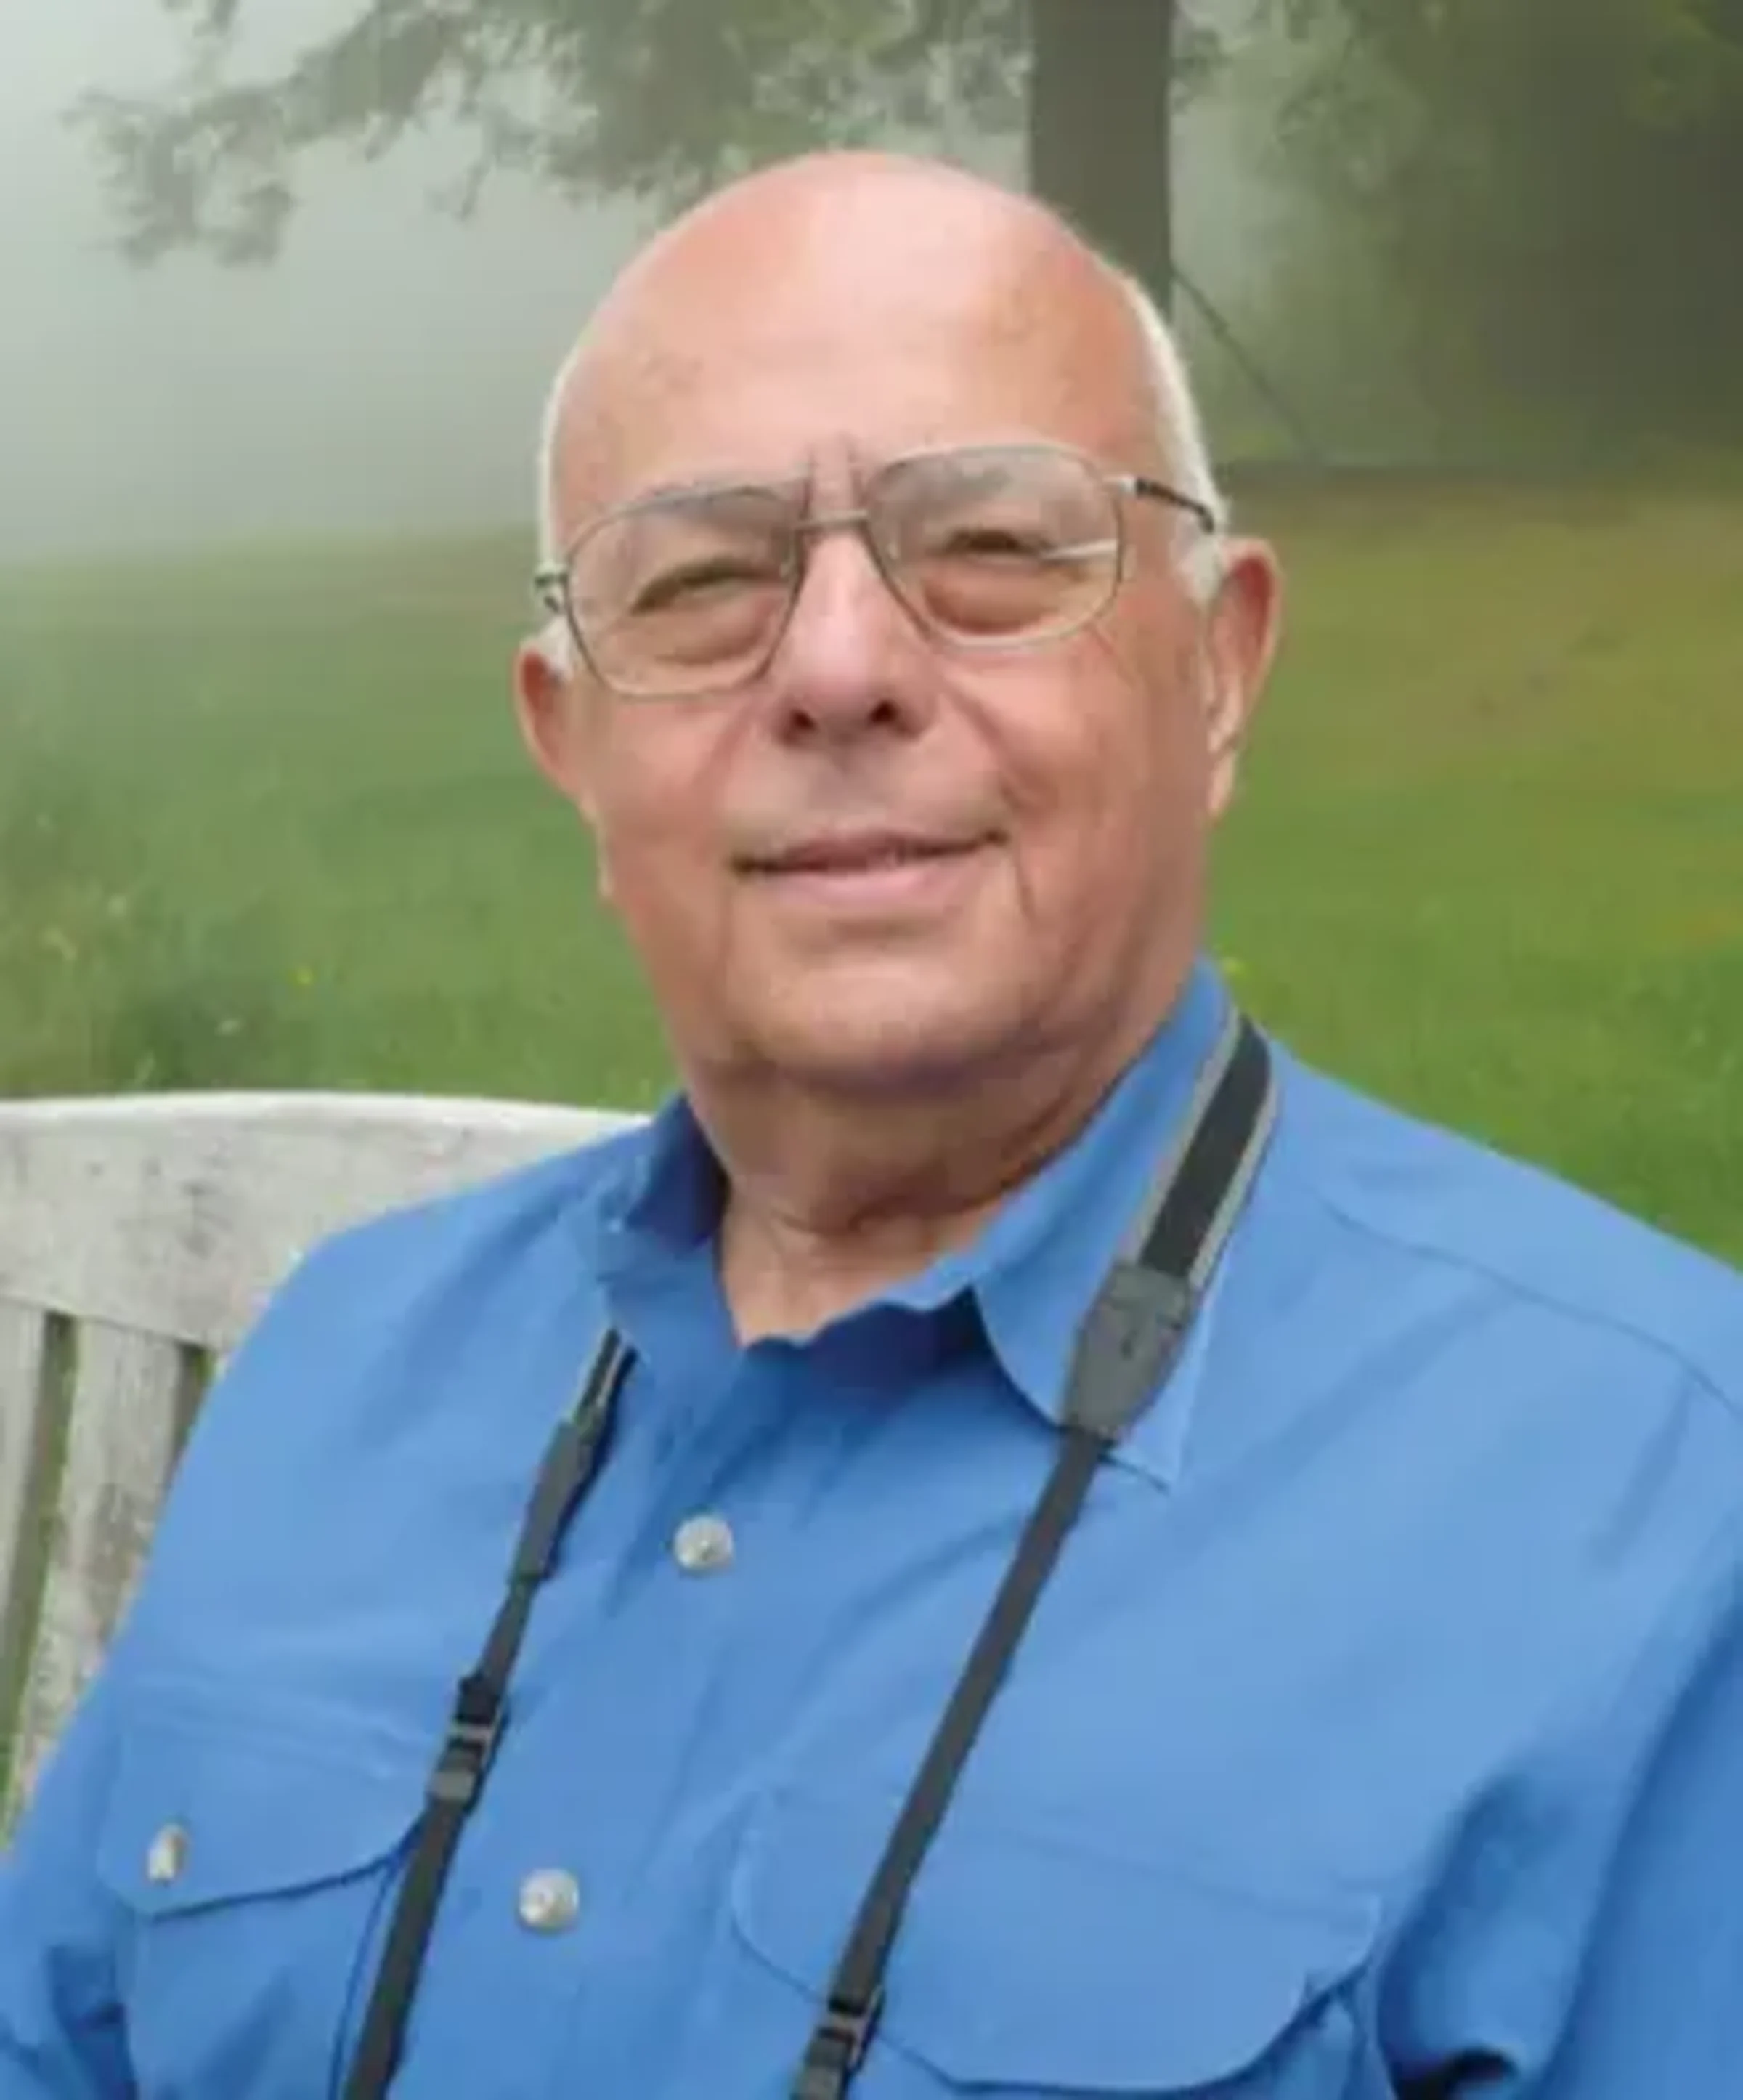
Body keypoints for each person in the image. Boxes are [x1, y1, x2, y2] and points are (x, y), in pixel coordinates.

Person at [3, 149, 1742, 2100]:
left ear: (1223, 667)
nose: (838, 670)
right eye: (704, 580)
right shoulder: (345, 1365)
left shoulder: (1659, 1516)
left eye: (993, 550)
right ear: (569, 742)